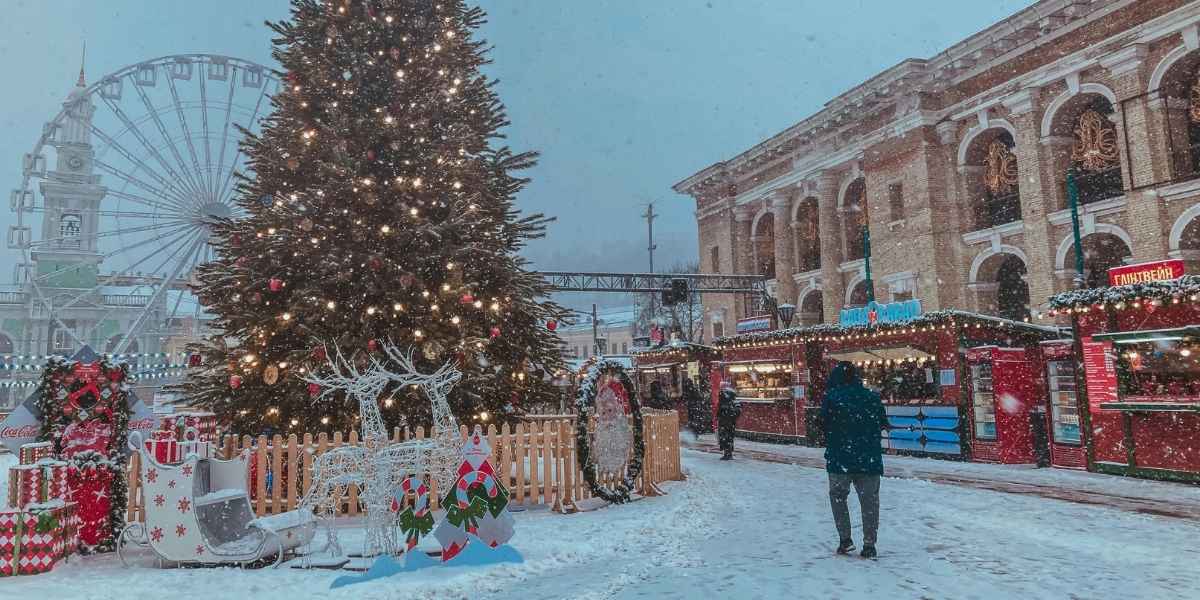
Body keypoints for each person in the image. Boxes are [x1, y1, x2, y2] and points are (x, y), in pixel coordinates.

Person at [821, 361, 888, 559]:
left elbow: (821, 423)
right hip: (869, 458)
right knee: (869, 501)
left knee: (838, 496)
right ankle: (869, 544)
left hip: (840, 457)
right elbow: (883, 423)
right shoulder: (872, 397)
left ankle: (845, 539)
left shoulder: (832, 398)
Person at [716, 384, 741, 460]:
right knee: (728, 438)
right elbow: (738, 411)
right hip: (729, 422)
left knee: (725, 437)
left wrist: (721, 416)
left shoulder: (724, 401)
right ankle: (728, 453)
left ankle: (727, 453)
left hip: (725, 422)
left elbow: (719, 412)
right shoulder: (733, 401)